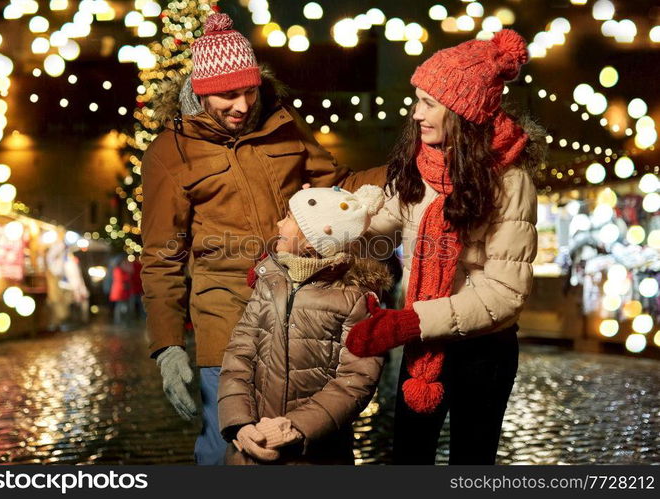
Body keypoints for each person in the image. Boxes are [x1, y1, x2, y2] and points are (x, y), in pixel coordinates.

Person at [140, 12, 387, 465]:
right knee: (227, 446)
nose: (241, 104)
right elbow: (161, 257)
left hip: (300, 312)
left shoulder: (283, 127)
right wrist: (168, 345)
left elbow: (340, 187)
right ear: (199, 91)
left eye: (248, 90)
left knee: (306, 442)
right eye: (227, 94)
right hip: (226, 319)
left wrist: (406, 170)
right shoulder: (169, 153)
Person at [345, 30, 545, 464]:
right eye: (416, 100)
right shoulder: (422, 166)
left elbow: (504, 294)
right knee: (408, 459)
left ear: (461, 110)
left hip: (483, 351)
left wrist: (410, 323)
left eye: (428, 103)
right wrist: (325, 226)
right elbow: (381, 228)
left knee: (471, 464)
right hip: (424, 340)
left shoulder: (510, 183)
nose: (416, 114)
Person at [218, 185, 390, 464]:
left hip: (316, 453)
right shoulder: (269, 280)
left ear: (312, 240)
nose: (278, 223)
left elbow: (357, 379)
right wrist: (240, 423)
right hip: (251, 446)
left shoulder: (355, 298)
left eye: (288, 217)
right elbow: (238, 355)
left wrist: (296, 427)